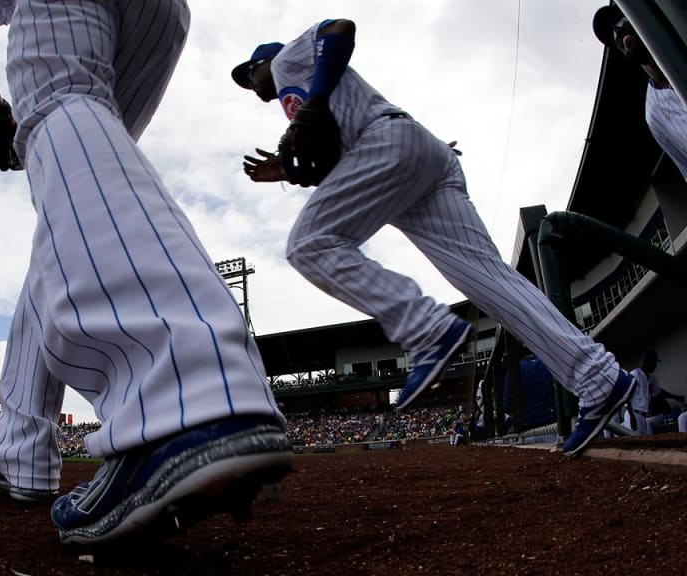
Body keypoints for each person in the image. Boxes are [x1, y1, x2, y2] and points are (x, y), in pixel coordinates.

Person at [0, 0, 293, 546]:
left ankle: (185, 398)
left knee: (59, 104)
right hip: (164, 15)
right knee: (78, 198)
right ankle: (19, 446)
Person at [232, 18, 635, 458]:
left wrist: (315, 104)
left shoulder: (290, 59)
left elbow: (339, 29)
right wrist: (288, 171)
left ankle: (426, 328)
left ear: (265, 62)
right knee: (491, 282)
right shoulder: (303, 93)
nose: (249, 85)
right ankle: (598, 377)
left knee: (309, 244)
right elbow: (330, 161)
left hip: (389, 145)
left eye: (249, 73)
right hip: (420, 156)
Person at [593, 5, 687, 180]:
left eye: (623, 22)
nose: (620, 33)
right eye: (614, 36)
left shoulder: (682, 46)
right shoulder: (654, 113)